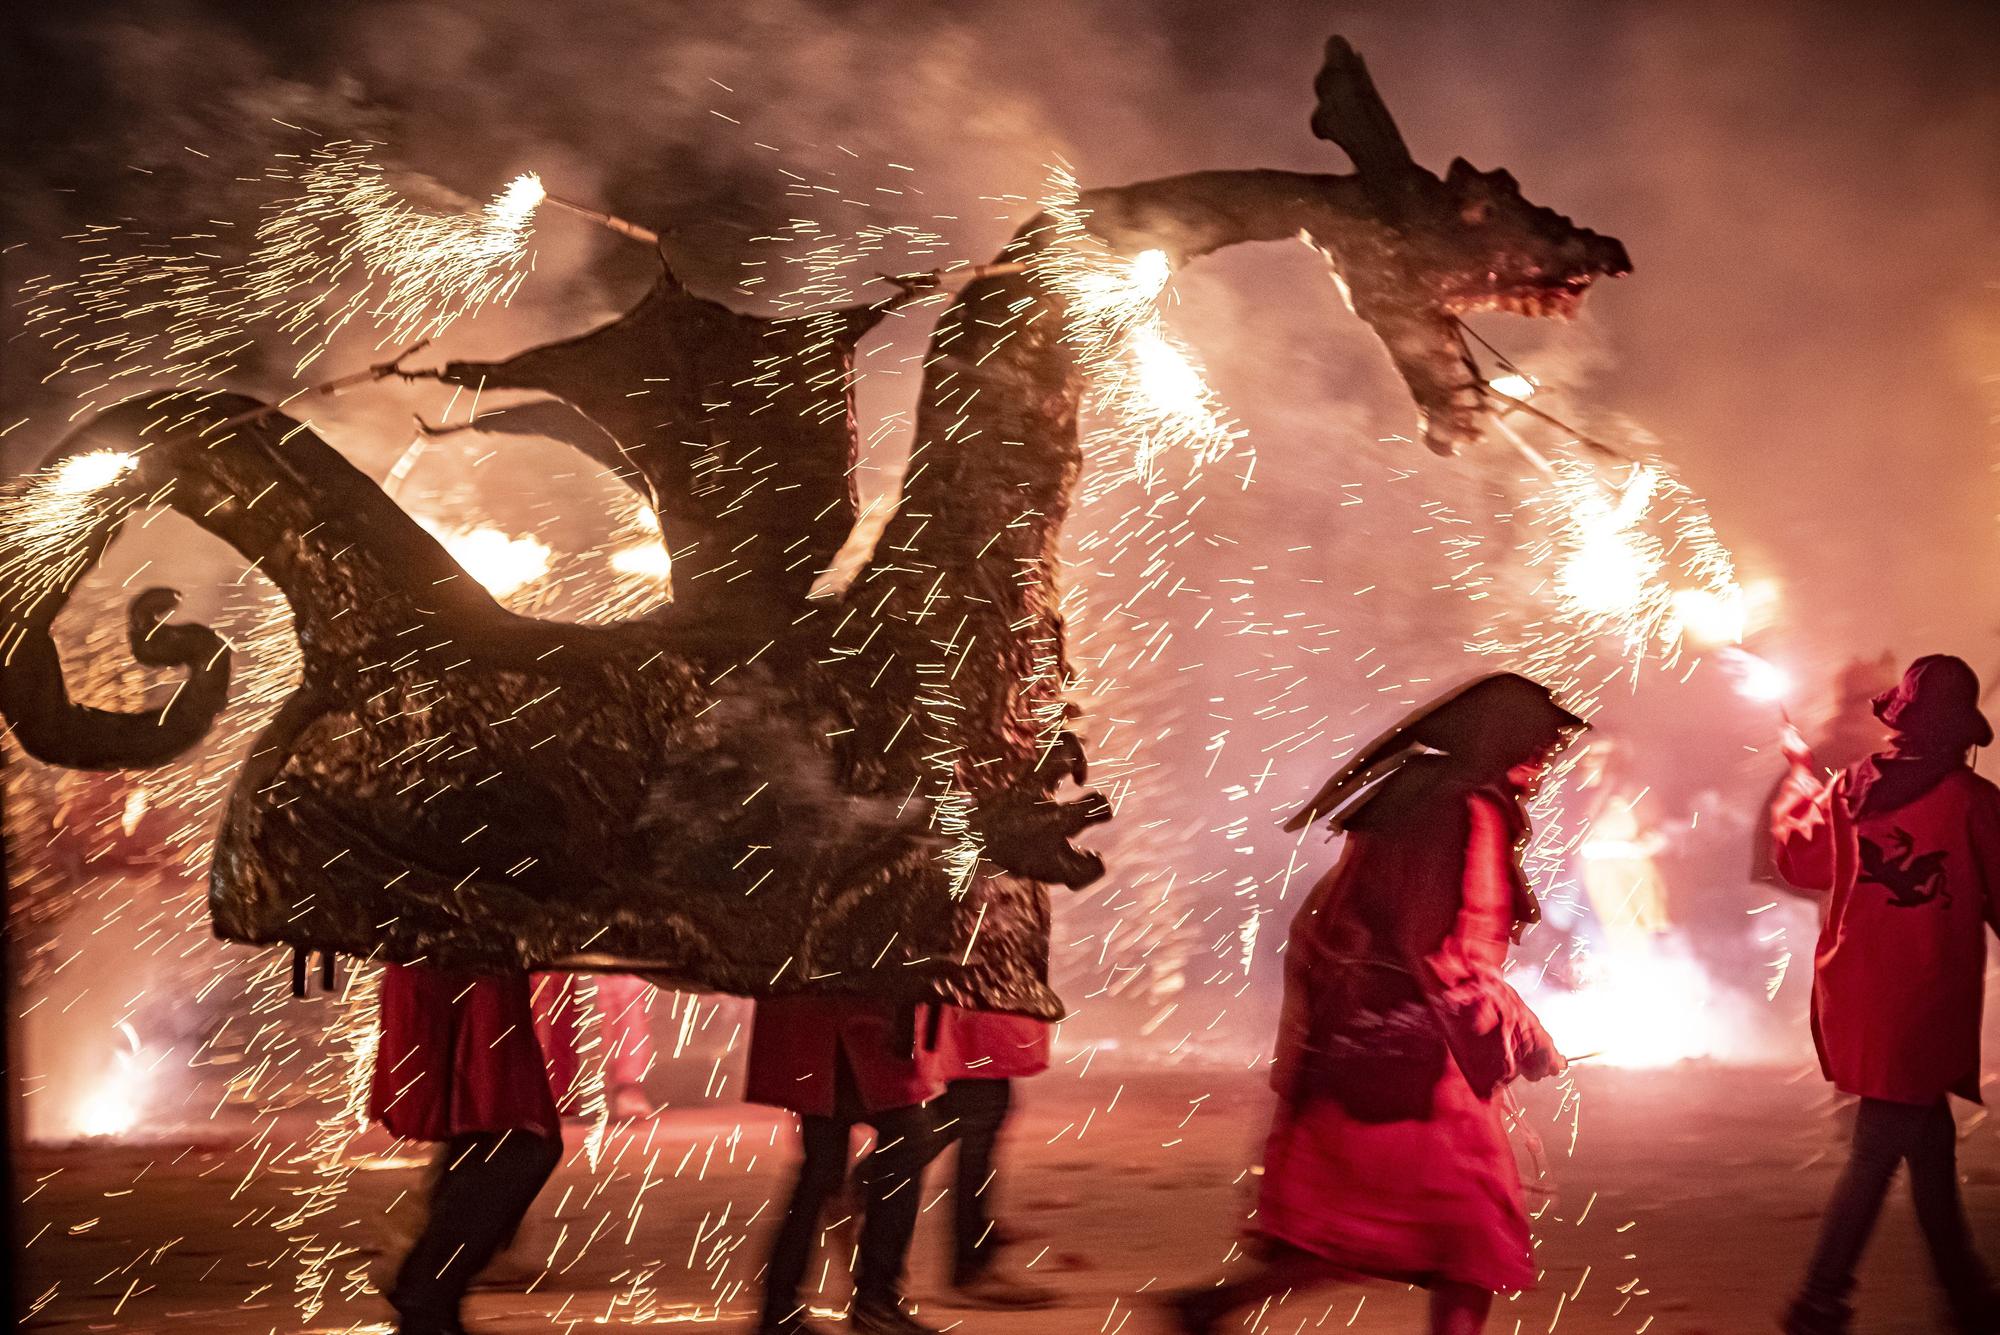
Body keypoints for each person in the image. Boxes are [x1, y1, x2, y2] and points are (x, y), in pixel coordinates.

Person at [1166, 673, 1578, 1335]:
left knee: (1364, 1232)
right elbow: (1433, 941)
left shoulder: (1424, 797)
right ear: (1501, 739)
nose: (1548, 756)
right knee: (1464, 1233)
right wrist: (1506, 1022)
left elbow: (1339, 926)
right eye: (1536, 741)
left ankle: (1208, 1307)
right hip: (1414, 1066)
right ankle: (1208, 1307)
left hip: (1370, 1048)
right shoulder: (1461, 808)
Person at [1769, 654, 2000, 1335]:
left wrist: (1800, 779)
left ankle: (1970, 1298)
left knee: (1928, 1149)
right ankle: (1817, 1302)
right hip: (1922, 1001)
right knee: (1877, 1151)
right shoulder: (1972, 801)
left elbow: (1799, 857)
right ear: (1960, 732)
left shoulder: (1849, 788)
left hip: (1858, 996)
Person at [370, 964, 565, 1335]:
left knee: (495, 1139)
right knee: (522, 1141)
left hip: (470, 979)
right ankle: (426, 1293)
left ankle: (429, 1293)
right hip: (465, 980)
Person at [747, 995, 942, 1335]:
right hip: (841, 1010)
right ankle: (874, 1301)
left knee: (824, 1164)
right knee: (905, 1138)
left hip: (836, 1010)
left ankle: (780, 1308)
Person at [923, 1007, 1058, 1308]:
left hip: (979, 991)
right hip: (976, 991)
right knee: (982, 1099)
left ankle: (864, 1185)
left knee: (981, 1100)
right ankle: (970, 1266)